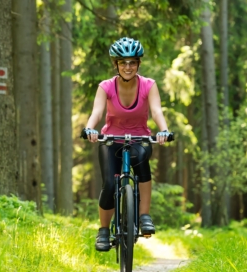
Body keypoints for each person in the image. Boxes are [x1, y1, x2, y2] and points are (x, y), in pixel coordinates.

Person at [82, 37, 171, 252]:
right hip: (111, 140)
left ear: (138, 63)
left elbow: (157, 111)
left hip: (140, 138)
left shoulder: (149, 85)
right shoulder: (106, 86)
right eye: (123, 62)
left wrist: (164, 130)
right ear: (116, 65)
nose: (128, 67)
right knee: (110, 185)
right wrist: (90, 129)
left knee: (141, 162)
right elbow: (97, 112)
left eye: (132, 62)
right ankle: (103, 230)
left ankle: (144, 215)